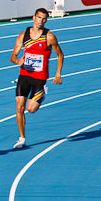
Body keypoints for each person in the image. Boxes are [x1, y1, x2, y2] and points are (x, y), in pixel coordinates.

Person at [10, 8, 64, 149]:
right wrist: (17, 61)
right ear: (34, 18)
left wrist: (58, 74)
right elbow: (12, 56)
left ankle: (41, 94)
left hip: (39, 78)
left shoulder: (49, 36)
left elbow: (60, 54)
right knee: (19, 107)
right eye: (39, 18)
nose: (41, 21)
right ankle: (22, 138)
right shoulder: (23, 35)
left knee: (31, 109)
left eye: (44, 18)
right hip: (24, 75)